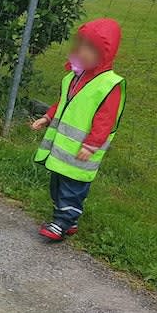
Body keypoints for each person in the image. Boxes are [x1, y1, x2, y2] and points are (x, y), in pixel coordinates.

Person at [31, 18, 125, 241]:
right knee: (58, 186)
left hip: (83, 151)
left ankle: (61, 222)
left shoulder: (108, 85)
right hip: (62, 151)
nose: (83, 52)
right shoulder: (75, 76)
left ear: (105, 53)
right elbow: (64, 102)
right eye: (81, 45)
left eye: (91, 48)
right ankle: (67, 220)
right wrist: (47, 116)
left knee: (72, 189)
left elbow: (106, 120)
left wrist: (92, 145)